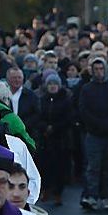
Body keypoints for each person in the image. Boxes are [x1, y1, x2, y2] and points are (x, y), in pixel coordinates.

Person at [77, 57, 108, 211]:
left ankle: (107, 196)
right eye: (95, 69)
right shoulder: (87, 88)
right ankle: (91, 196)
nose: (98, 72)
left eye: (101, 69)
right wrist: (96, 124)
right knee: (92, 166)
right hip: (93, 133)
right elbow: (83, 110)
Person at [37, 72, 77, 206]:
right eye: (50, 84)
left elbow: (69, 118)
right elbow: (39, 116)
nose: (53, 86)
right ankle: (46, 190)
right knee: (45, 166)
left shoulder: (66, 99)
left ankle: (58, 193)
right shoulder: (42, 99)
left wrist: (54, 127)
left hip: (61, 139)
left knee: (60, 167)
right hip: (45, 139)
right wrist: (45, 127)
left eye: (55, 84)